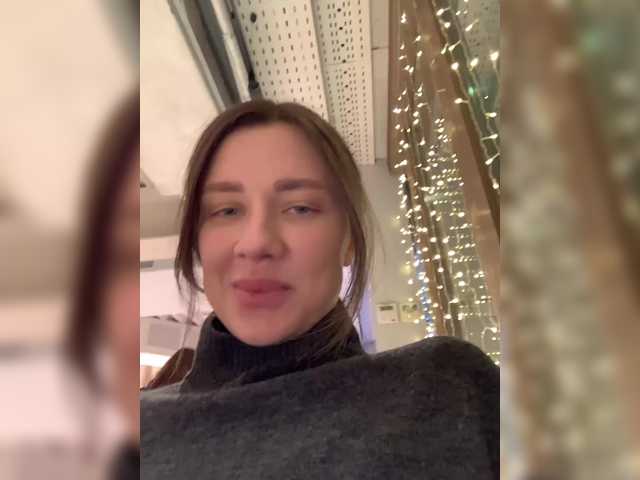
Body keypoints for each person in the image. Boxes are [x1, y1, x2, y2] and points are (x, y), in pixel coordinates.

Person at [141, 100, 498, 479]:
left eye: (300, 208)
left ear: (349, 240)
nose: (256, 243)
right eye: (227, 210)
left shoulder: (446, 389)